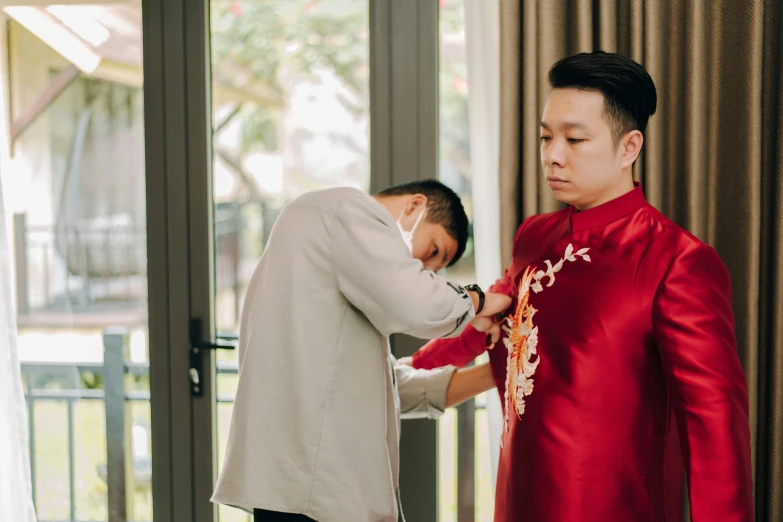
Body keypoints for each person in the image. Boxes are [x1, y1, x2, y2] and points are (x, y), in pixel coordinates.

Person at [408, 51, 754, 522]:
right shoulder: (535, 236)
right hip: (519, 494)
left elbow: (714, 427)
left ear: (629, 147)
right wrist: (409, 366)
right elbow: (496, 320)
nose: (552, 155)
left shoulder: (677, 261)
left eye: (575, 139)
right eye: (547, 136)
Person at [211, 180, 511, 522]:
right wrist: (482, 301)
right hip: (311, 496)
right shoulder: (346, 211)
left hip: (304, 490)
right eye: (432, 253)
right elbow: (418, 304)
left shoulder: (340, 259)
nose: (424, 270)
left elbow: (380, 388)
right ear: (414, 206)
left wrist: (498, 370)